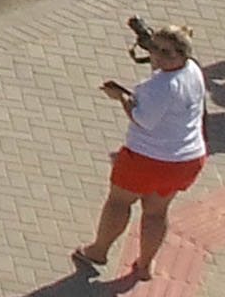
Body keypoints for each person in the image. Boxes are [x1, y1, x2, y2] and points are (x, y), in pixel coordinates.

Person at [86, 26, 211, 280]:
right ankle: (144, 265)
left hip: (147, 158)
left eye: (167, 52)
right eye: (154, 48)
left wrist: (120, 96)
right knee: (156, 211)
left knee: (119, 202)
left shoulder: (160, 86)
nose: (159, 56)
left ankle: (98, 251)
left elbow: (143, 119)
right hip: (186, 159)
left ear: (181, 54)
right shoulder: (192, 71)